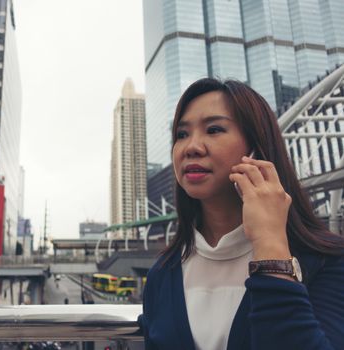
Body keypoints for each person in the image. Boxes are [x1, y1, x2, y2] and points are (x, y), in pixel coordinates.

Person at [138, 78, 344, 350]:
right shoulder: (163, 274)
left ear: (257, 148)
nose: (192, 147)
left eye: (214, 129)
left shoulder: (326, 261)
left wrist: (270, 244)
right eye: (181, 134)